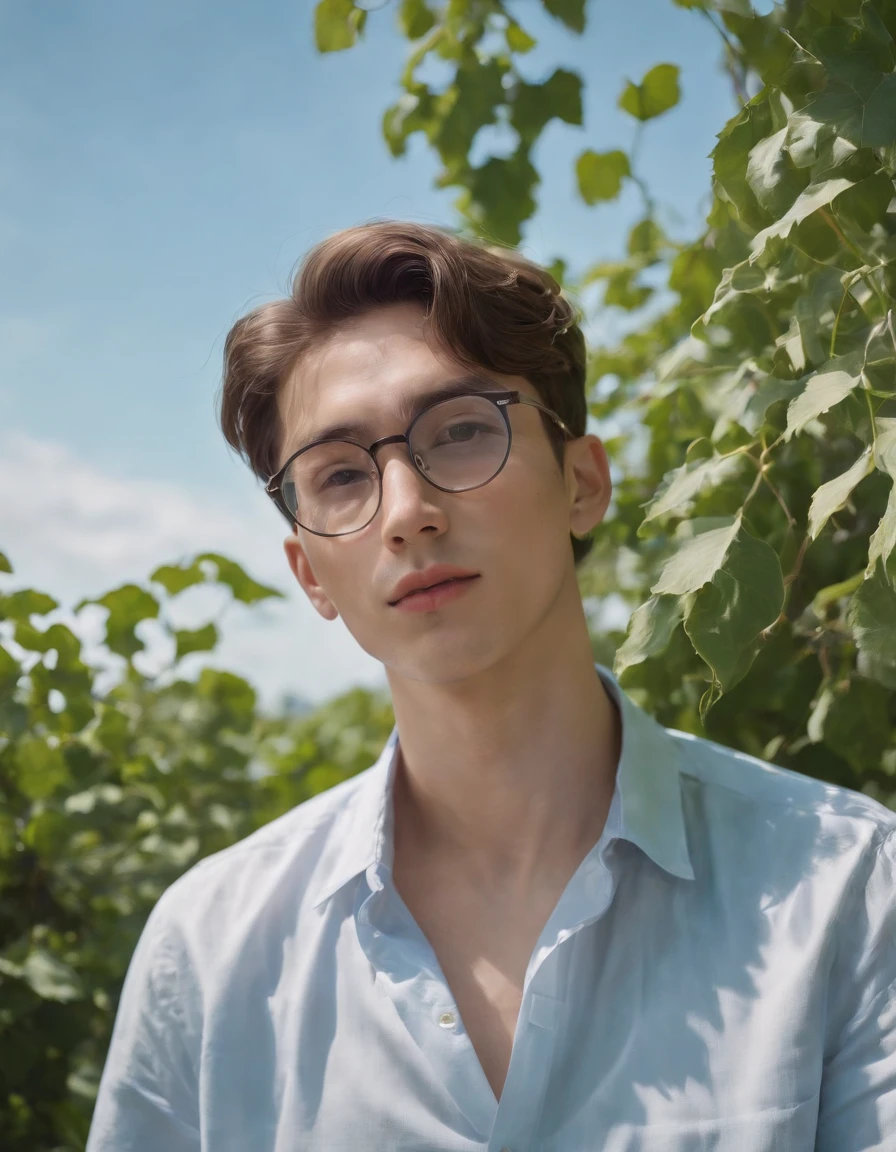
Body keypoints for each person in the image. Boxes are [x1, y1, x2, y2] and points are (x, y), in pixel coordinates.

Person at [87, 220, 895, 1152]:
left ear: (582, 483)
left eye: (463, 430)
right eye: (341, 475)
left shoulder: (847, 893)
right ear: (309, 571)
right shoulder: (208, 950)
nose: (407, 513)